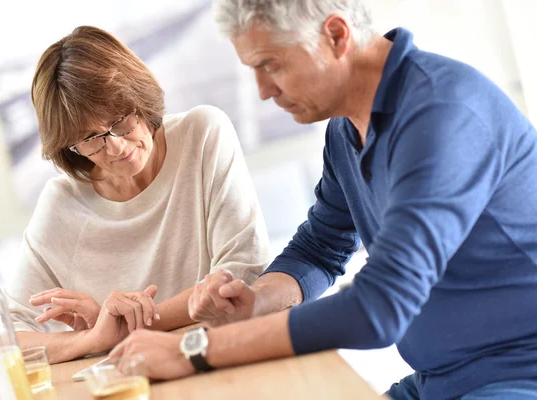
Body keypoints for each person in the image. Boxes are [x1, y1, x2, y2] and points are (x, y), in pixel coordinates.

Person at [108, 1, 537, 399]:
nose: (262, 91)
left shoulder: (444, 114)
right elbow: (321, 247)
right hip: (439, 380)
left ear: (335, 35)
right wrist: (257, 302)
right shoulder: (345, 131)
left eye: (270, 65)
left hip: (517, 375)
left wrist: (195, 350)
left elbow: (381, 305)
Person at [5, 26, 270, 364]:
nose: (115, 146)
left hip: (224, 359)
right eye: (89, 137)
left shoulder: (202, 134)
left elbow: (243, 275)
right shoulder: (63, 202)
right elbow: (4, 340)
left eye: (120, 120)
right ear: (71, 148)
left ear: (139, 99)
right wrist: (92, 337)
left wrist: (130, 324)